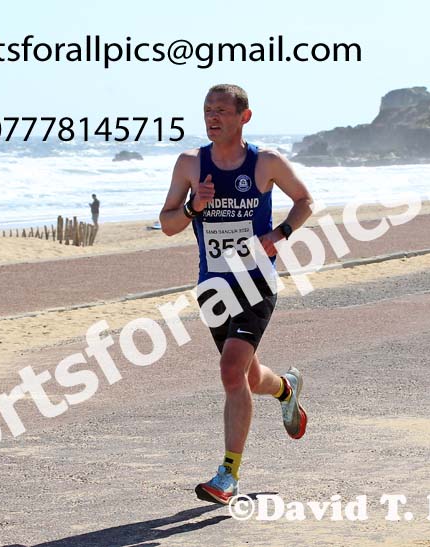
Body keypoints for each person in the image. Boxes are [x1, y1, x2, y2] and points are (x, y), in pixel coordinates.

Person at [159, 84, 313, 505]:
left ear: (244, 117)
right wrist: (193, 208)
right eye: (207, 110)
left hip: (255, 282)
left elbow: (304, 201)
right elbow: (168, 222)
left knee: (230, 371)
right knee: (246, 376)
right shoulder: (190, 164)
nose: (212, 117)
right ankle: (285, 388)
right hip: (213, 287)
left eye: (222, 111)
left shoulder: (266, 163)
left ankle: (228, 474)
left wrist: (278, 234)